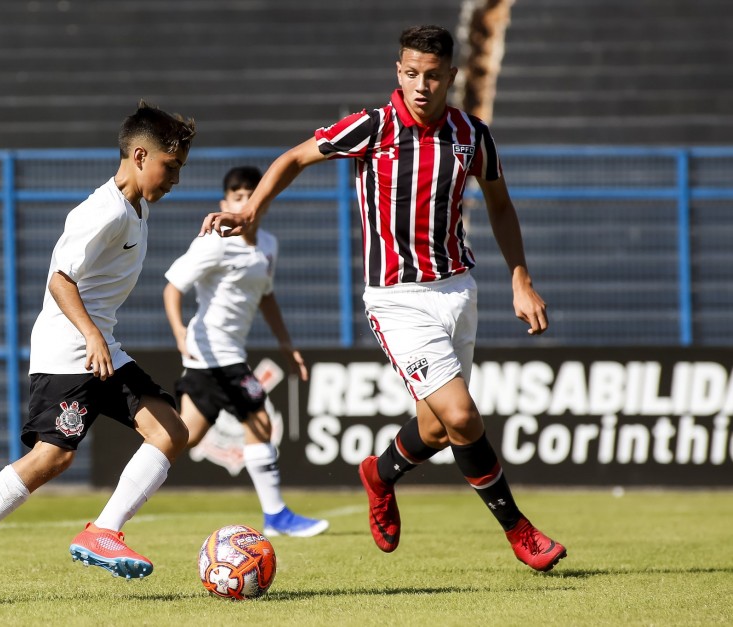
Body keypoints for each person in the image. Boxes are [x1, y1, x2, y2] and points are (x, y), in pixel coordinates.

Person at [200, 25, 566, 572]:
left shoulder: (472, 134)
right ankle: (520, 531)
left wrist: (520, 277)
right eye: (411, 73)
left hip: (458, 291)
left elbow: (501, 205)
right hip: (397, 298)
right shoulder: (374, 126)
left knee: (439, 427)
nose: (421, 85)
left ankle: (380, 473)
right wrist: (252, 210)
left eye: (433, 75)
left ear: (452, 77)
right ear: (399, 71)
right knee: (463, 416)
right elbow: (296, 157)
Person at [0, 101, 197, 604]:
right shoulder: (103, 210)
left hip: (100, 347)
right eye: (170, 166)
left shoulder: (137, 205)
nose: (175, 178)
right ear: (138, 155)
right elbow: (59, 279)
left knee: (171, 429)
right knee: (52, 457)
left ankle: (103, 530)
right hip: (70, 351)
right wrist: (90, 334)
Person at [163, 166, 329, 538]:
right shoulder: (215, 242)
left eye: (249, 196)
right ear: (225, 203)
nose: (242, 202)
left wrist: (286, 344)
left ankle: (116, 507)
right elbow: (173, 287)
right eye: (235, 197)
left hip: (226, 356)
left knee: (179, 437)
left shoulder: (268, 245)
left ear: (261, 201)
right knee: (260, 421)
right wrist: (178, 332)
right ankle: (277, 516)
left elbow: (265, 295)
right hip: (213, 354)